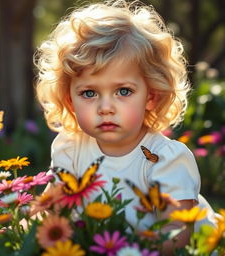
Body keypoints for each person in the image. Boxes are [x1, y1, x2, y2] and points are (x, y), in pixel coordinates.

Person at [34, 0, 216, 254]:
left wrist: (127, 250)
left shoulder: (164, 158)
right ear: (69, 100)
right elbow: (50, 212)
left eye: (123, 91)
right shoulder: (70, 148)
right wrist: (21, 231)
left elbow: (177, 233)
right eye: (89, 93)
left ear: (151, 96)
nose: (105, 107)